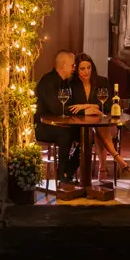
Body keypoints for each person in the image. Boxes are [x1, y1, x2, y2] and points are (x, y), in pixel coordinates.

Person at [67, 53, 128, 178]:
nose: (86, 71)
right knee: (95, 131)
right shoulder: (71, 84)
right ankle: (105, 168)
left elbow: (108, 106)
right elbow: (71, 107)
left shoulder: (102, 82)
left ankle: (101, 170)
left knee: (98, 128)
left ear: (92, 67)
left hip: (106, 125)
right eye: (82, 69)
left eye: (88, 67)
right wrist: (88, 107)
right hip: (80, 129)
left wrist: (88, 106)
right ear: (77, 70)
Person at [34, 50, 79, 183]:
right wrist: (79, 111)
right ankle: (61, 175)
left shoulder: (66, 83)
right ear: (63, 65)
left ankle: (69, 170)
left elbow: (67, 107)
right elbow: (57, 109)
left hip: (61, 125)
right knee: (65, 134)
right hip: (44, 127)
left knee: (86, 134)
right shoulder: (49, 81)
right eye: (72, 65)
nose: (74, 69)